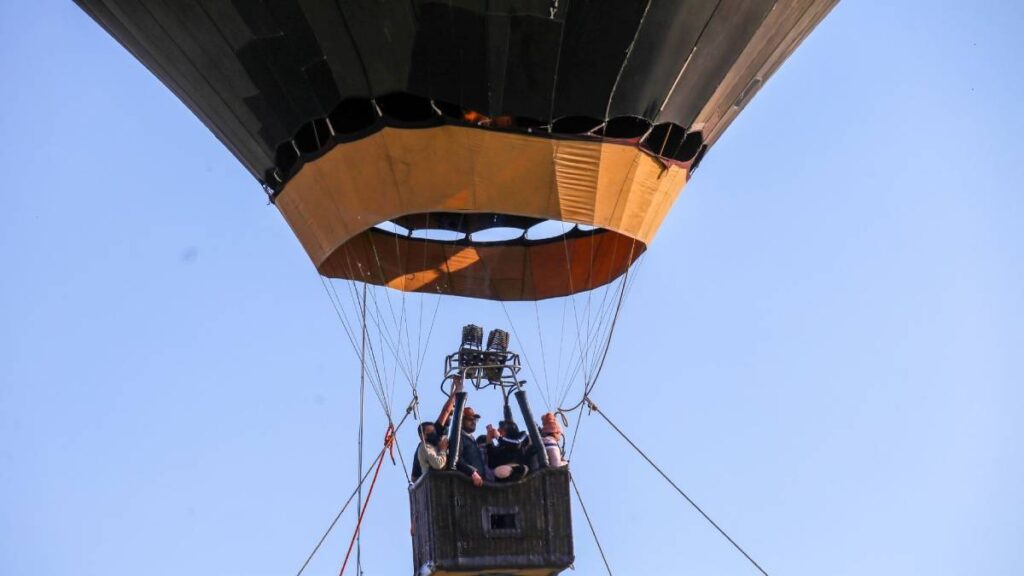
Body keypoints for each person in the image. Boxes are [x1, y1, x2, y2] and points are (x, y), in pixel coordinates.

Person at [410, 376, 463, 482]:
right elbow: (446, 411)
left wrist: (455, 390)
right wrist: (458, 388)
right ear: (423, 435)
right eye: (431, 431)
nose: (434, 432)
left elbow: (448, 411)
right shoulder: (426, 446)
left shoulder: (437, 434)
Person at [455, 406, 488, 487]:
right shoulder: (458, 438)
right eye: (470, 419)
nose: (473, 422)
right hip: (468, 483)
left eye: (475, 419)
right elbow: (458, 459)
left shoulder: (472, 439)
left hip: (479, 483)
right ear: (461, 421)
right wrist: (473, 473)